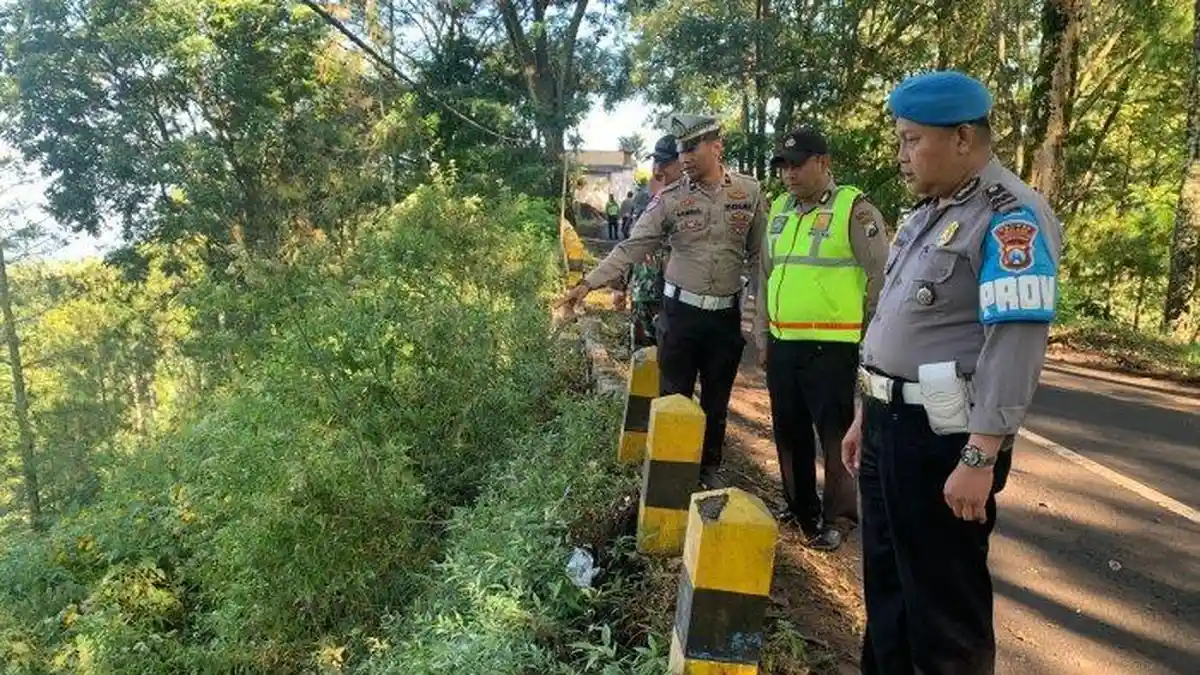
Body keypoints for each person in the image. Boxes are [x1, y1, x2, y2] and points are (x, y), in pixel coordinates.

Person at [841, 71, 1063, 675]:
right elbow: (895, 323)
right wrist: (865, 413)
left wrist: (981, 454)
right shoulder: (929, 213)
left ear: (962, 138)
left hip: (943, 439)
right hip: (887, 425)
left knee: (943, 611)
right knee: (888, 592)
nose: (902, 153)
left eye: (912, 140)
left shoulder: (1010, 216)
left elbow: (1014, 341)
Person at [558, 114, 766, 488]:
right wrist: (588, 284)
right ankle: (671, 482)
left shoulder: (748, 193)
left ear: (716, 147)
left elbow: (759, 258)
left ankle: (708, 471)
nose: (684, 157)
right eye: (681, 150)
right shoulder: (669, 199)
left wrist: (761, 319)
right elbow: (632, 247)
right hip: (680, 315)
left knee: (717, 402)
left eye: (692, 148)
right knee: (674, 398)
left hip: (725, 317)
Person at [754, 127, 889, 552]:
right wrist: (762, 332)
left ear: (823, 163)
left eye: (797, 165)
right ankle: (799, 507)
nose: (789, 174)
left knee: (835, 437)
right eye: (783, 167)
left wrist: (872, 338)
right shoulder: (779, 209)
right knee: (788, 429)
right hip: (783, 343)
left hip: (831, 347)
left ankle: (838, 518)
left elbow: (881, 276)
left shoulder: (853, 210)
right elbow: (766, 274)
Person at [614, 135, 685, 348]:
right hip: (642, 294)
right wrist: (620, 286)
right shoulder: (643, 198)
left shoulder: (694, 199)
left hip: (677, 299)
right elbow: (632, 244)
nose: (658, 168)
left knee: (674, 358)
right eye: (656, 161)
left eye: (666, 162)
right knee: (642, 357)